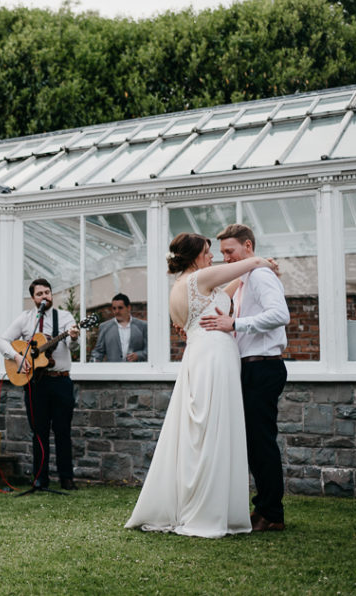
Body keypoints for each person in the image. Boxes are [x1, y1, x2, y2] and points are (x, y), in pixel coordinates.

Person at [126, 233, 274, 537]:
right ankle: (206, 509)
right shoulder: (199, 279)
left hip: (199, 354)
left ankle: (198, 502)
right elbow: (249, 264)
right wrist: (263, 263)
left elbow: (228, 289)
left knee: (199, 429)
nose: (213, 258)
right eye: (208, 252)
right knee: (211, 428)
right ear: (195, 256)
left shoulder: (185, 287)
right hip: (214, 358)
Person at [200, 223, 290, 532]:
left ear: (248, 247)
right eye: (223, 252)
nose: (225, 257)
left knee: (261, 442)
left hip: (263, 367)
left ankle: (272, 513)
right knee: (253, 443)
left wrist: (235, 323)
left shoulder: (262, 275)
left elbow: (281, 315)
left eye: (230, 251)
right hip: (250, 368)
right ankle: (263, 508)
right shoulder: (245, 278)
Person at [0, 278, 80, 491]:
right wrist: (17, 357)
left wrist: (74, 336)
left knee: (62, 430)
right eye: (40, 294)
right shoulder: (26, 319)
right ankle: (40, 478)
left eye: (47, 292)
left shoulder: (64, 317)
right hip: (36, 384)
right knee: (39, 432)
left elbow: (72, 344)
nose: (44, 296)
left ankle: (66, 477)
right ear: (33, 298)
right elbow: (2, 341)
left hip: (60, 380)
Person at [90, 293, 147, 362]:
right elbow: (98, 352)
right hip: (113, 371)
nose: (117, 311)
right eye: (114, 308)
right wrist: (93, 363)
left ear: (128, 308)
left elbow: (149, 349)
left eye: (120, 308)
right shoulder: (105, 327)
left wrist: (138, 355)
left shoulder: (142, 326)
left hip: (136, 370)